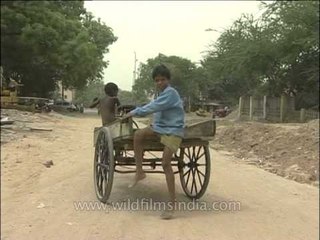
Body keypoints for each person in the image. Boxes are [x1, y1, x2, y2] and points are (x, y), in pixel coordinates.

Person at [123, 64, 185, 219]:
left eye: (162, 79)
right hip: (159, 128)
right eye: (157, 80)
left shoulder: (170, 93)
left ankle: (171, 204)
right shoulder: (160, 94)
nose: (159, 82)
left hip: (173, 130)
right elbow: (154, 108)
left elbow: (154, 107)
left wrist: (133, 112)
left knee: (165, 163)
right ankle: (139, 171)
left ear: (168, 80)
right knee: (138, 135)